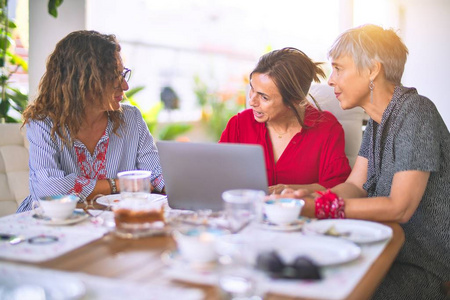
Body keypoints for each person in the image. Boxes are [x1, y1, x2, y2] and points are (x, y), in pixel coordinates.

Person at [281, 25, 450, 299]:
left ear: (373, 70)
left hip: (419, 264)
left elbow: (400, 208)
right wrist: (310, 196)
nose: (331, 80)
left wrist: (320, 208)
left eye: (339, 69)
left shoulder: (417, 112)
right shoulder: (377, 120)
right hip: (382, 244)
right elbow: (355, 186)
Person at [17, 30, 165, 212]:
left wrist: (178, 188)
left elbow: (155, 174)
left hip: (108, 221)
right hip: (49, 225)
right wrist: (118, 184)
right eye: (113, 77)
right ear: (81, 81)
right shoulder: (43, 123)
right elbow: (48, 190)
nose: (125, 86)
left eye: (122, 74)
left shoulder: (131, 119)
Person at [219, 47, 351, 194]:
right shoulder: (239, 124)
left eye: (264, 97)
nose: (252, 101)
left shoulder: (327, 128)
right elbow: (217, 175)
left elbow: (337, 186)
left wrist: (291, 189)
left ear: (294, 101)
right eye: (252, 89)